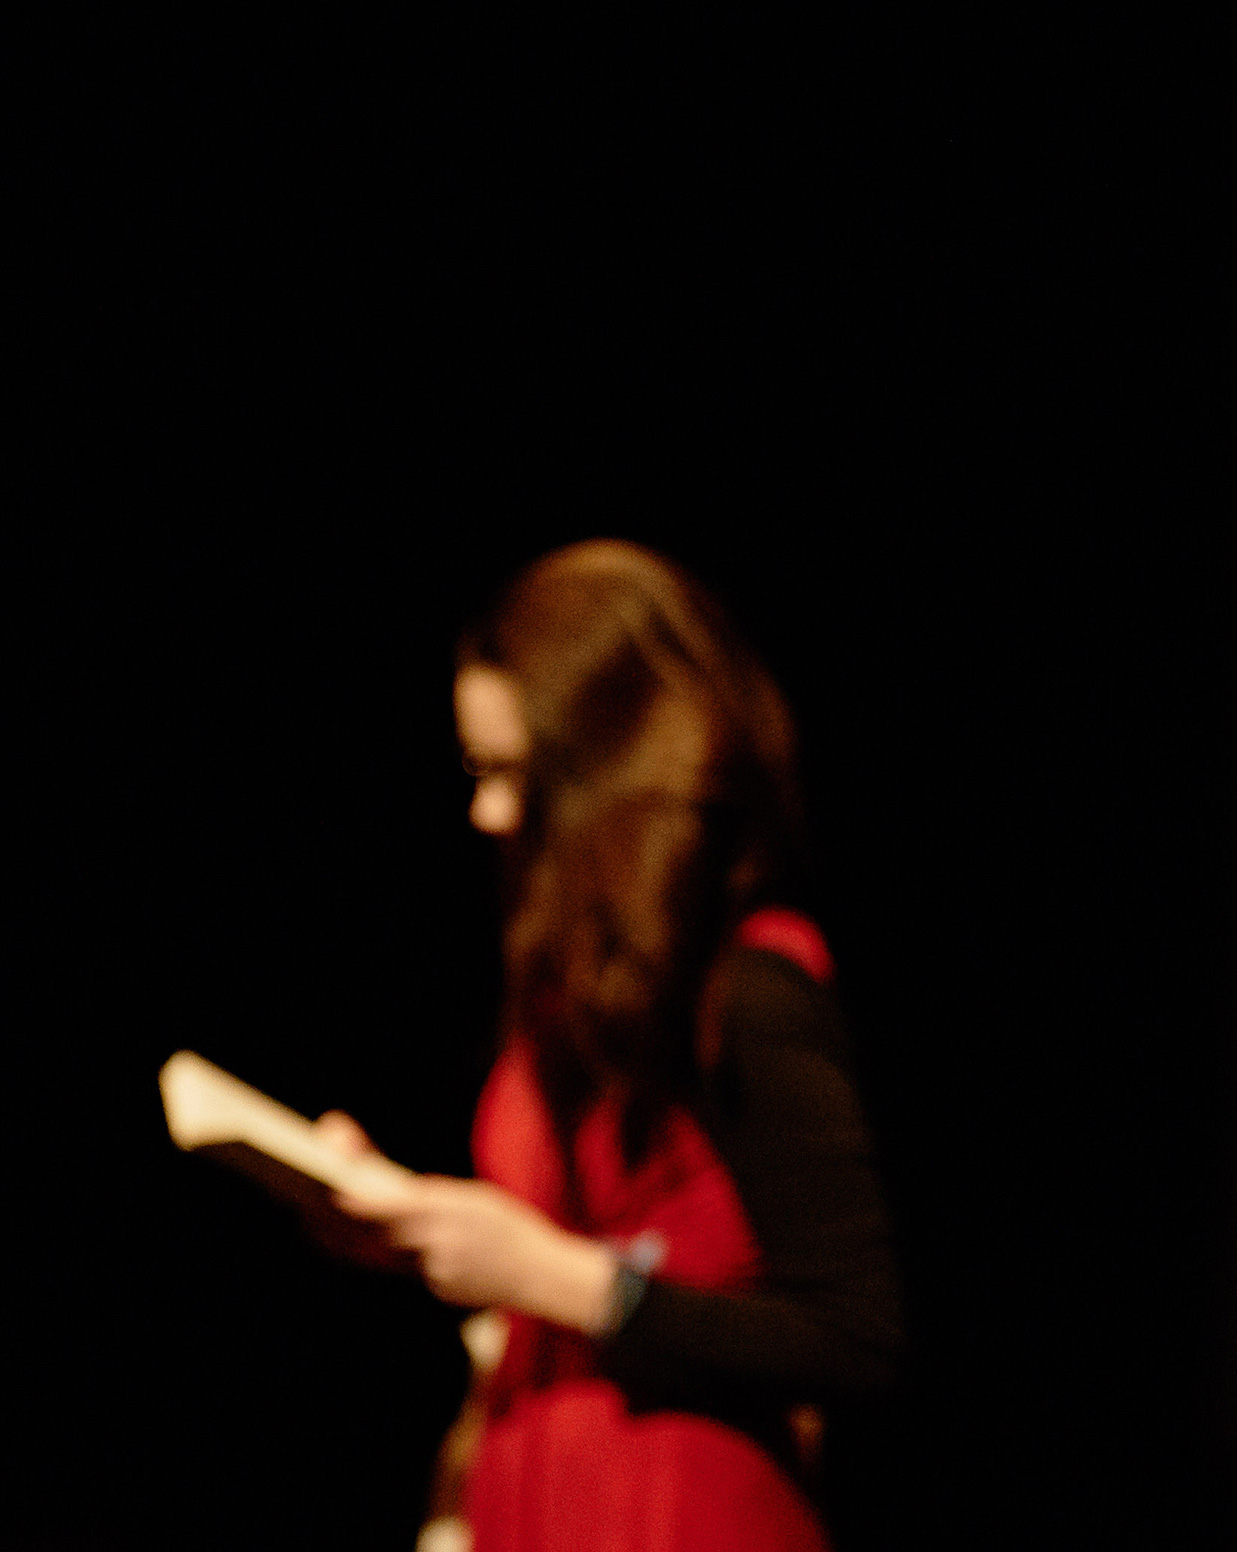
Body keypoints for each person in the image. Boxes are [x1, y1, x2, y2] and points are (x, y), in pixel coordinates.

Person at [323, 539, 902, 1552]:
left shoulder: (748, 990)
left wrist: (554, 1275)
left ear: (609, 773)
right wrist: (405, 1223)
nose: (489, 813)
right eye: (478, 771)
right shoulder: (563, 1009)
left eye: (517, 775)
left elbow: (858, 1337)